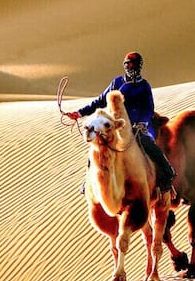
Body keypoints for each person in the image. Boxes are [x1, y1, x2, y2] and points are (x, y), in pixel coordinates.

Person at [66, 51, 175, 193]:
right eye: (128, 64)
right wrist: (79, 113)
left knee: (149, 145)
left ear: (139, 66)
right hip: (115, 126)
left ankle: (167, 175)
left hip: (137, 127)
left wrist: (143, 122)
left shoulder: (144, 86)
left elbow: (148, 107)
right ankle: (88, 182)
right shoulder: (117, 82)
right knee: (96, 148)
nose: (131, 67)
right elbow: (99, 101)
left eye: (133, 64)